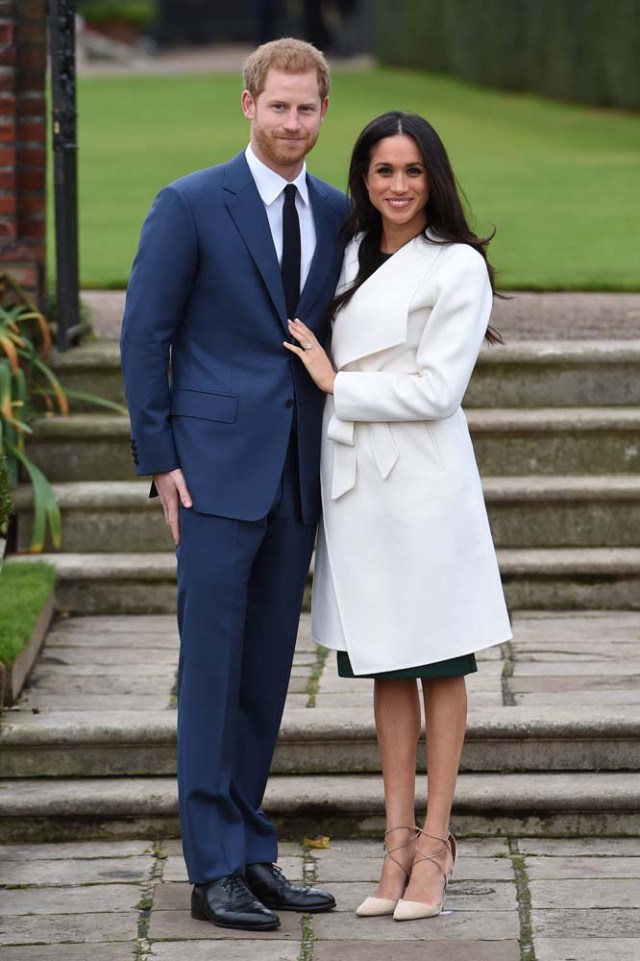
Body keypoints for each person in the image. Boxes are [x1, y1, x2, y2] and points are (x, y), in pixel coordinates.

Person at [120, 38, 349, 932]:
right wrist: (158, 457)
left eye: (308, 108)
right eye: (278, 105)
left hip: (297, 469)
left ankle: (252, 850)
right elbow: (146, 334)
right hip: (210, 474)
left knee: (263, 673)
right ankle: (210, 865)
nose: (293, 122)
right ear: (247, 104)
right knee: (211, 670)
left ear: (323, 113)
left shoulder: (335, 210)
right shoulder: (188, 203)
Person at [285, 111, 513, 922]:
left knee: (441, 660)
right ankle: (394, 838)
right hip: (356, 487)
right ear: (365, 177)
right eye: (383, 170)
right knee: (385, 664)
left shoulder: (456, 267)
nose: (398, 185)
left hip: (423, 487)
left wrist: (339, 383)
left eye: (413, 170)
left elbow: (436, 390)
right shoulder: (343, 249)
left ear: (434, 177)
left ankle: (438, 842)